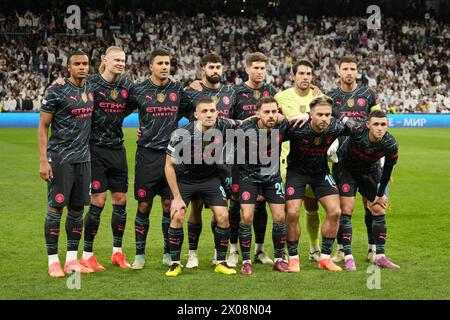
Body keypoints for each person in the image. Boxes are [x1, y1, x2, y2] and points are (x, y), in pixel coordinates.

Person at [128, 48, 191, 270]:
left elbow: (193, 112)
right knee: (144, 205)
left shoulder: (177, 89)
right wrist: (142, 127)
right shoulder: (139, 90)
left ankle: (167, 253)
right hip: (146, 154)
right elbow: (119, 110)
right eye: (160, 63)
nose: (165, 66)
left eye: (168, 63)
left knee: (168, 205)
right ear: (151, 67)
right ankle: (139, 255)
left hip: (171, 155)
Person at [164, 97, 239, 277]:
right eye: (204, 111)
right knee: (177, 215)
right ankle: (175, 264)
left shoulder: (224, 125)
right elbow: (169, 165)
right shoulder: (181, 134)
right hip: (185, 180)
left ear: (217, 112)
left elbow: (246, 121)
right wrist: (177, 197)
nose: (209, 114)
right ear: (196, 115)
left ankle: (221, 262)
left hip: (210, 179)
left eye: (212, 110)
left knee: (223, 215)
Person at [38, 51, 95, 277]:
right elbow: (43, 126)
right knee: (55, 208)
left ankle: (72, 260)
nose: (82, 67)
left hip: (84, 159)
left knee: (77, 209)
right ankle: (53, 261)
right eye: (77, 64)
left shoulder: (90, 87)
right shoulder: (56, 91)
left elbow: (111, 76)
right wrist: (43, 161)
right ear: (68, 67)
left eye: (85, 63)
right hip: (60, 159)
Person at [284, 95, 355, 272]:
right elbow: (272, 134)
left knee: (335, 211)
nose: (324, 119)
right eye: (319, 115)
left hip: (320, 173)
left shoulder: (335, 126)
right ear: (311, 115)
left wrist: (331, 114)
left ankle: (324, 258)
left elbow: (357, 128)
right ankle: (293, 258)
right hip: (296, 173)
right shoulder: (297, 127)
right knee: (292, 213)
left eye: (327, 115)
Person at [79, 46, 135, 271]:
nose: (121, 63)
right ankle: (87, 254)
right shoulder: (91, 83)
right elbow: (72, 92)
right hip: (95, 151)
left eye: (123, 60)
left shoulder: (127, 85)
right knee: (98, 201)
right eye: (117, 60)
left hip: (117, 149)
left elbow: (139, 103)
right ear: (105, 60)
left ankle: (117, 253)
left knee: (120, 201)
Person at [327, 56, 383, 264]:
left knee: (372, 205)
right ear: (338, 71)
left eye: (352, 69)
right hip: (343, 161)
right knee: (344, 208)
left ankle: (373, 248)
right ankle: (342, 249)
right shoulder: (331, 96)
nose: (349, 72)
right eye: (345, 69)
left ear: (357, 71)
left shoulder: (368, 94)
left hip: (369, 160)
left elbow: (379, 122)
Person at [183, 53, 236, 269]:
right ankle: (192, 254)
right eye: (211, 67)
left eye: (218, 67)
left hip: (225, 160)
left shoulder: (231, 91)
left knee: (221, 207)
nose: (215, 70)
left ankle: (218, 253)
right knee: (195, 207)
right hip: (197, 160)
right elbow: (172, 117)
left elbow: (238, 120)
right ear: (202, 68)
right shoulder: (190, 92)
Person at [332, 109, 400, 270]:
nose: (380, 128)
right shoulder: (356, 128)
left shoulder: (391, 143)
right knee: (346, 210)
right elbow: (338, 114)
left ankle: (380, 256)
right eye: (376, 124)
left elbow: (388, 171)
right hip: (346, 170)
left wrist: (380, 194)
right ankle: (348, 256)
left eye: (383, 124)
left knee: (378, 209)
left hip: (369, 172)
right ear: (368, 124)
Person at [274, 59, 323, 266]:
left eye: (308, 73)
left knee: (312, 207)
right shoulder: (281, 97)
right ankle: (287, 250)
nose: (305, 77)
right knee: (290, 211)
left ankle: (314, 248)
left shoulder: (319, 97)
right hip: (288, 163)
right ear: (293, 76)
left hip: (314, 161)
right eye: (301, 73)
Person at [237, 96, 291, 275]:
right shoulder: (245, 129)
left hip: (272, 177)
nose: (271, 116)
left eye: (274, 112)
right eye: (266, 112)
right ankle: (245, 261)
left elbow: (304, 120)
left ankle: (278, 259)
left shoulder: (282, 126)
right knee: (246, 217)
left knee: (280, 217)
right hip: (249, 177)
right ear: (257, 114)